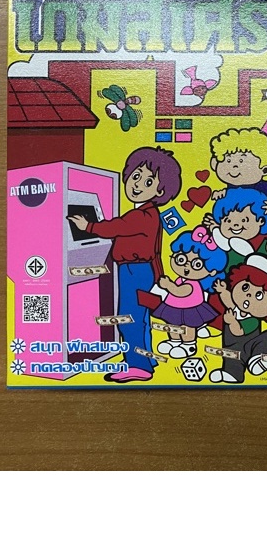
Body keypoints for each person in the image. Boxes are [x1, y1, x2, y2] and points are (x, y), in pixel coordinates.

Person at [67, 146, 182, 383]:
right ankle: (146, 359)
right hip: (143, 270)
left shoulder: (142, 215)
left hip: (134, 271)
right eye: (136, 176)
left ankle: (138, 367)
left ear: (160, 190)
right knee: (141, 319)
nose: (137, 184)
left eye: (148, 181)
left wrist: (87, 226)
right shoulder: (150, 214)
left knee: (129, 319)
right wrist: (158, 274)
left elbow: (115, 227)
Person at [153, 228, 226, 358]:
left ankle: (189, 344)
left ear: (211, 271)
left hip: (190, 309)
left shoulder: (192, 284)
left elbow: (181, 291)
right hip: (173, 307)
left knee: (188, 326)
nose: (186, 267)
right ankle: (174, 341)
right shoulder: (180, 279)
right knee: (172, 325)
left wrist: (168, 285)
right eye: (181, 259)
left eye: (196, 264)